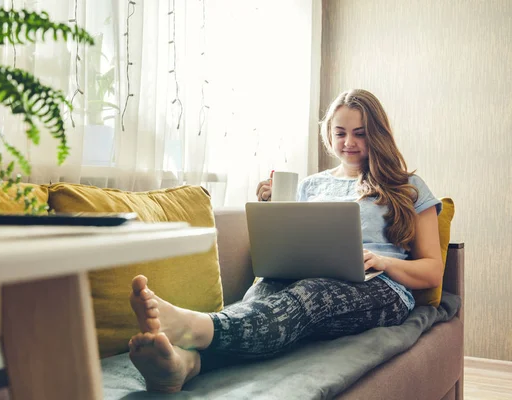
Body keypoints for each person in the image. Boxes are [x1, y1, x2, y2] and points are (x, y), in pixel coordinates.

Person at [127, 89, 443, 393]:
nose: (349, 142)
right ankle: (186, 363)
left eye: (360, 133)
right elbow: (293, 240)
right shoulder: (310, 186)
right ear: (329, 134)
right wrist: (272, 207)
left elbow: (432, 271)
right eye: (340, 132)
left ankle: (194, 327)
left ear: (377, 134)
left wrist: (382, 261)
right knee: (263, 290)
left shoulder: (408, 186)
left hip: (382, 288)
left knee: (309, 296)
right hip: (308, 274)